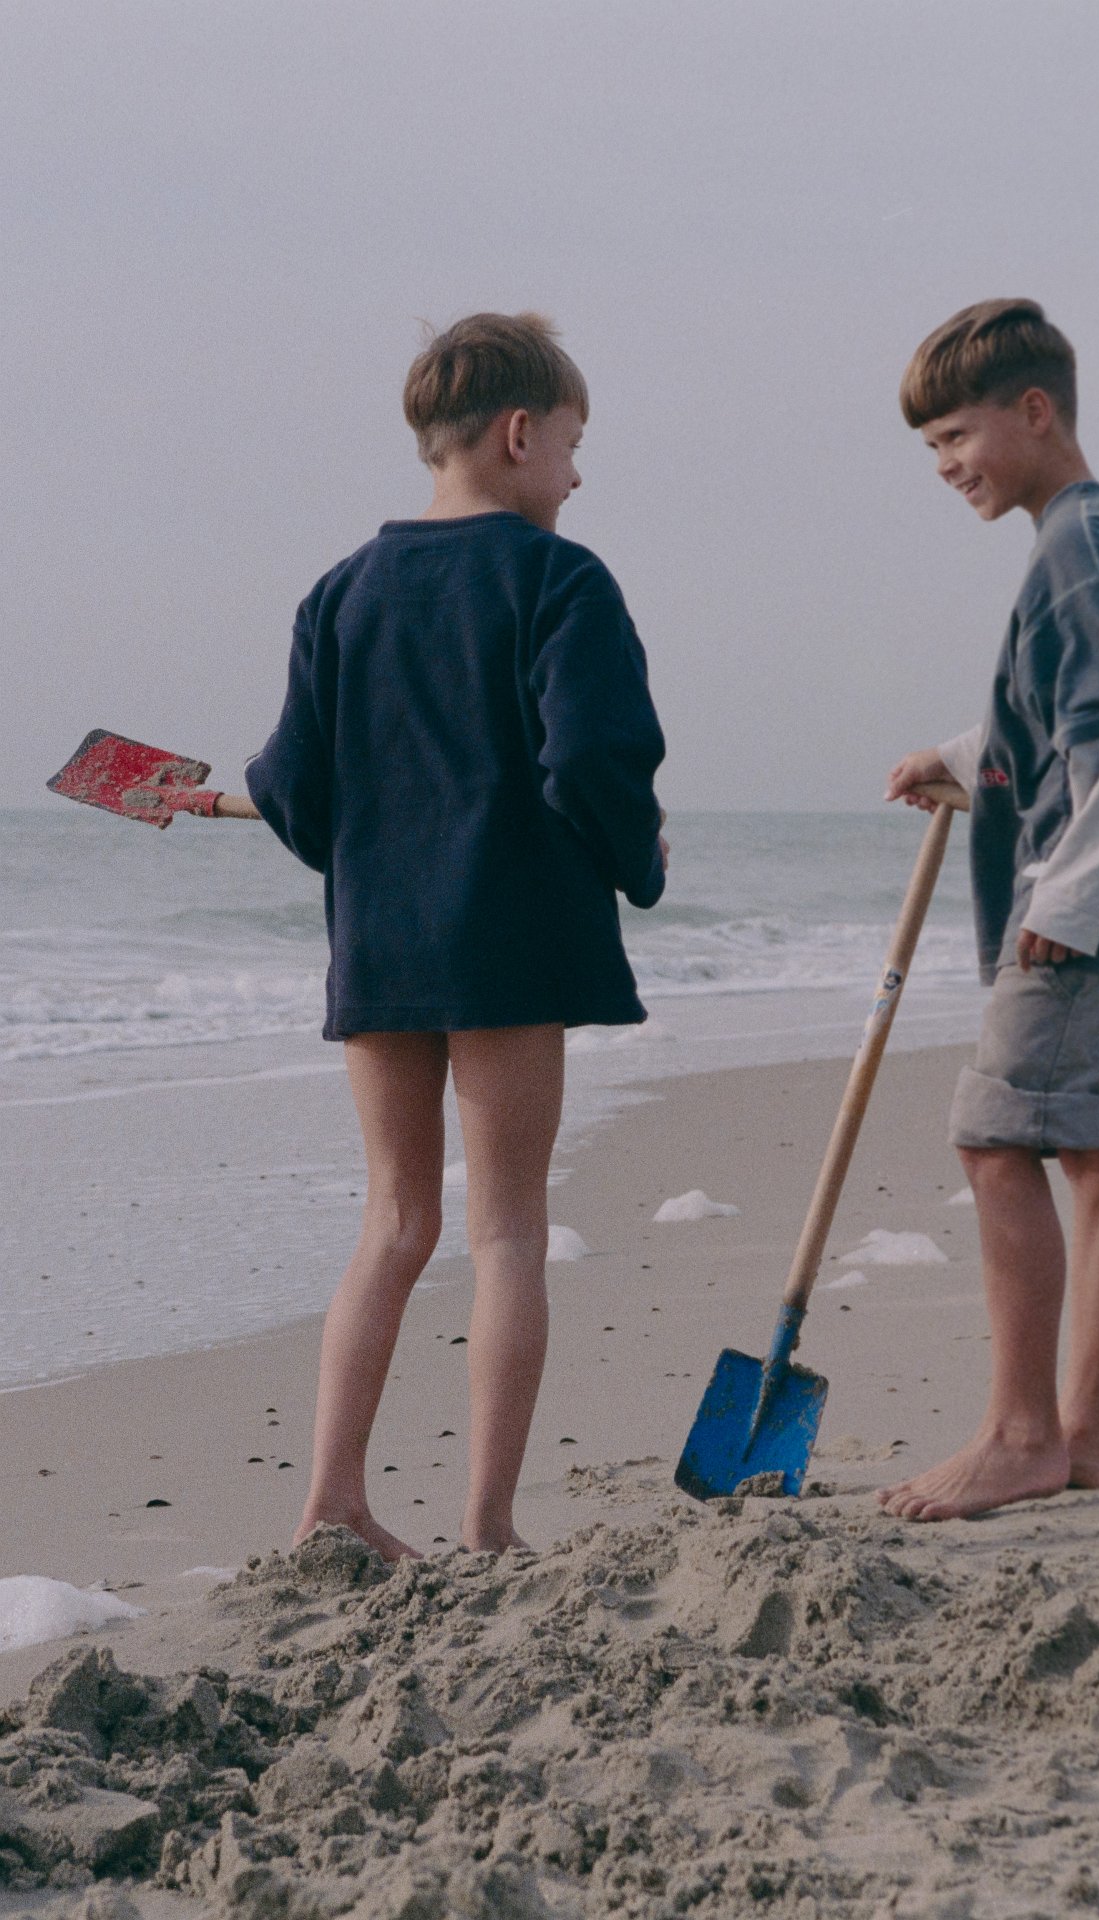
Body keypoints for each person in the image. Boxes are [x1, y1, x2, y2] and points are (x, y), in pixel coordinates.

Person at [246, 312, 667, 1557]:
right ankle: (486, 1524)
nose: (577, 479)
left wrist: (379, 857)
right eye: (573, 447)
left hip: (381, 946)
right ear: (519, 433)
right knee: (507, 1230)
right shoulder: (560, 580)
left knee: (391, 1223)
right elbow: (591, 759)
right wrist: (638, 858)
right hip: (510, 942)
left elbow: (293, 789)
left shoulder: (339, 593)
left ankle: (331, 1503)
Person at [880, 298, 1099, 1522]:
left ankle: (1020, 1433)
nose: (944, 466)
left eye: (954, 436)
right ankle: (1091, 1433)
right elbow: (1060, 715)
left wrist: (1069, 899)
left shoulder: (1076, 543)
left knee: (994, 1141)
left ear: (1033, 411)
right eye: (929, 446)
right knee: (1096, 1155)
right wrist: (956, 756)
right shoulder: (1096, 532)